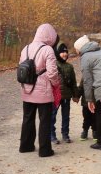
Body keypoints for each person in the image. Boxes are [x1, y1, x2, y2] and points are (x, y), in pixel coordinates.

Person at [19, 23, 60, 157]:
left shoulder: (25, 48)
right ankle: (44, 150)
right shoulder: (48, 49)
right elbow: (52, 73)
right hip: (43, 92)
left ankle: (26, 146)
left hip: (27, 89)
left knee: (27, 118)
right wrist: (56, 84)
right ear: (50, 36)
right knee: (44, 121)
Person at [51, 41, 78, 144]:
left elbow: (73, 82)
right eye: (62, 52)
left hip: (66, 96)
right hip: (55, 97)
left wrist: (75, 95)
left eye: (66, 52)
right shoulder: (53, 64)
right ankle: (52, 135)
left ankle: (65, 134)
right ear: (58, 53)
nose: (65, 54)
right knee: (52, 116)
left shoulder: (69, 67)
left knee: (66, 116)